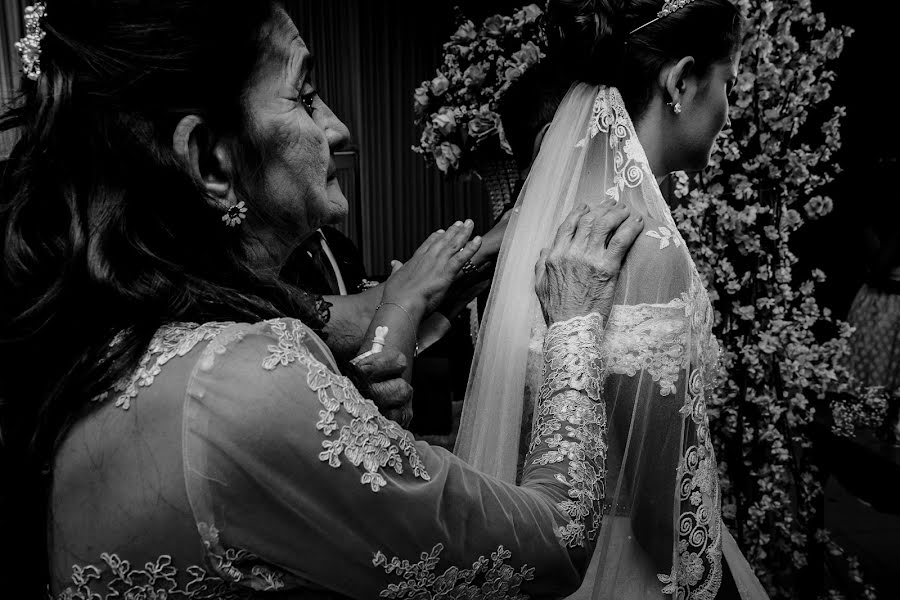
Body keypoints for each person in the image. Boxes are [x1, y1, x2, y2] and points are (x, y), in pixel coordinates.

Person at [0, 1, 645, 598]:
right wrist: (575, 324)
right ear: (211, 161)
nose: (337, 126)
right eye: (305, 97)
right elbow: (557, 542)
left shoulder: (121, 346)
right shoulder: (239, 386)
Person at [456, 1, 770, 598]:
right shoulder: (645, 248)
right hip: (625, 567)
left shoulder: (543, 232)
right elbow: (662, 508)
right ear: (680, 81)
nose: (728, 109)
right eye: (727, 82)